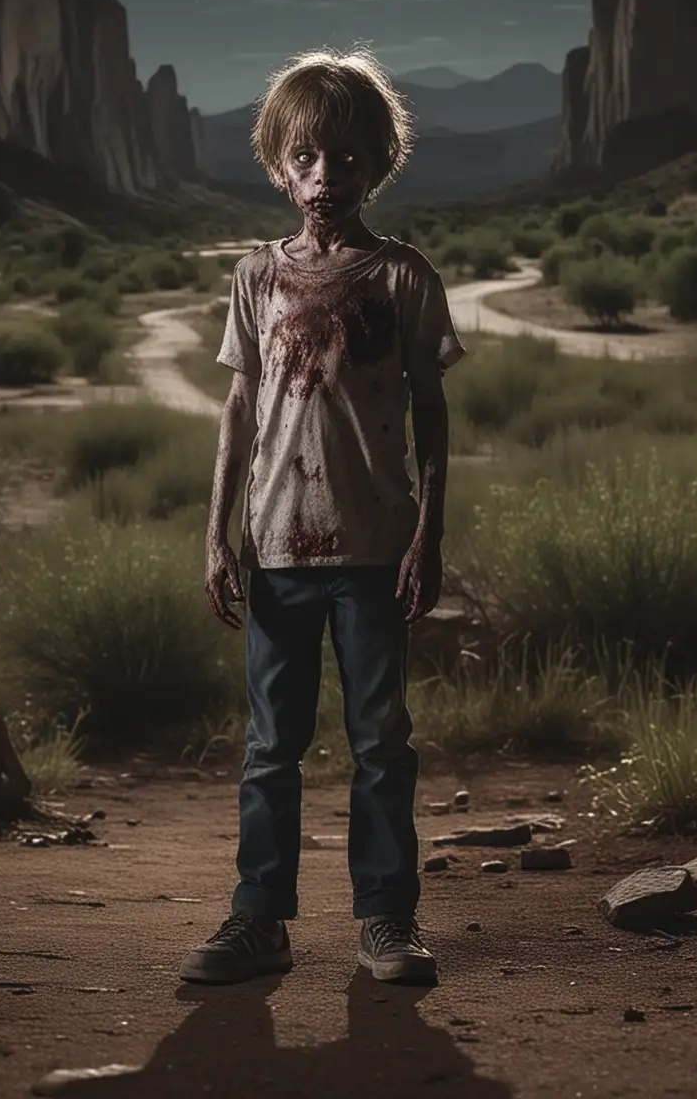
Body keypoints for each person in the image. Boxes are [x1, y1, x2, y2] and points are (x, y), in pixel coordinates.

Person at [178, 48, 465, 988]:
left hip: (378, 547)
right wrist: (216, 534)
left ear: (378, 162)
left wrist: (430, 531)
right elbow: (238, 408)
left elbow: (431, 409)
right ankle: (259, 920)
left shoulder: (403, 277)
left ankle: (387, 921)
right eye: (306, 158)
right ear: (277, 164)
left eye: (345, 159)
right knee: (271, 747)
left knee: (381, 741)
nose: (325, 177)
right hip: (278, 548)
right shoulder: (256, 279)